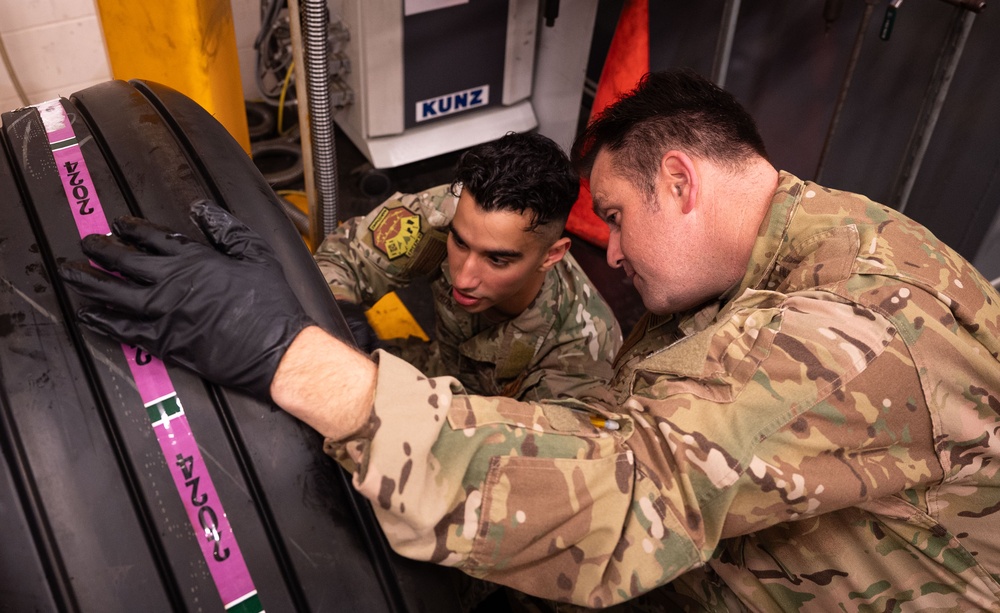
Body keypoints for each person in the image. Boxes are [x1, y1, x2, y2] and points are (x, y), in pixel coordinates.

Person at [59, 68, 1000, 611]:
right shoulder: (793, 249)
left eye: (618, 218)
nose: (614, 252)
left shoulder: (855, 330)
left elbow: (629, 491)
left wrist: (286, 353)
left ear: (680, 182)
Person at [312, 131, 622, 403]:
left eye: (497, 259)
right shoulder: (449, 212)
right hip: (438, 370)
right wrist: (340, 305)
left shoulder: (584, 348)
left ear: (551, 256)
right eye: (459, 243)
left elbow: (539, 454)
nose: (463, 277)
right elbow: (344, 258)